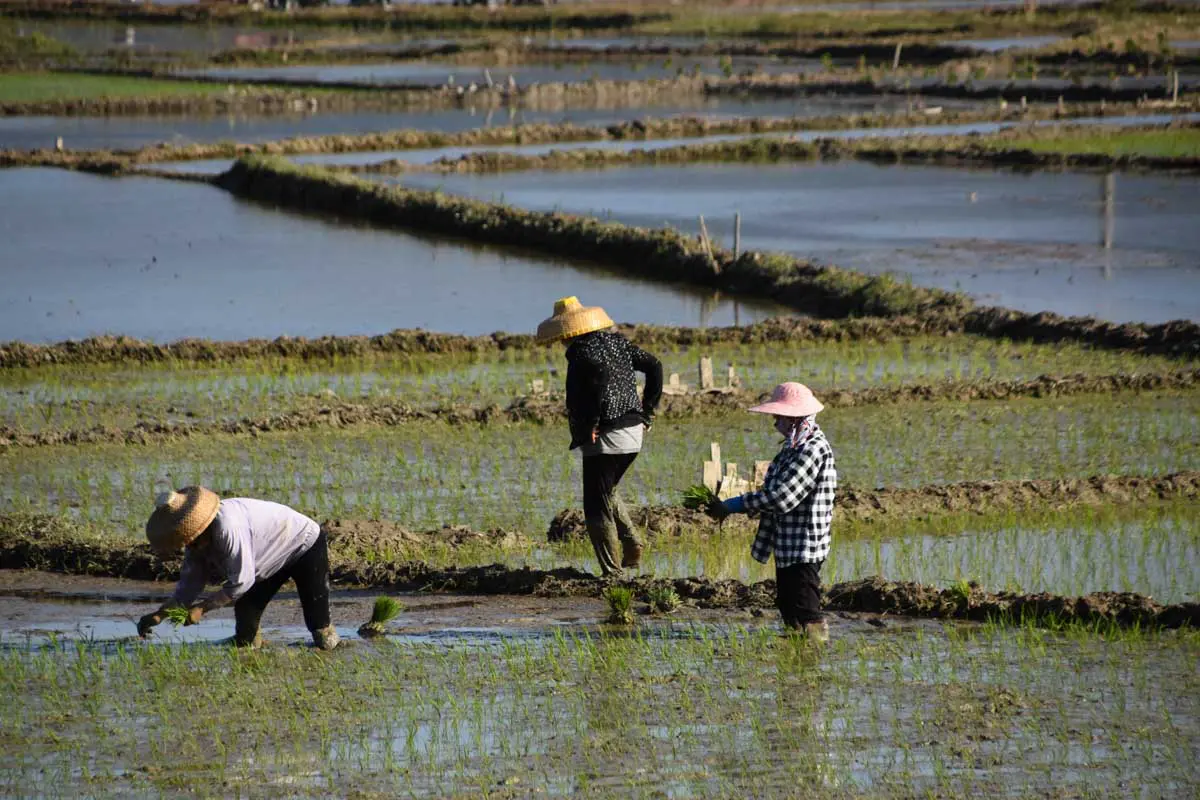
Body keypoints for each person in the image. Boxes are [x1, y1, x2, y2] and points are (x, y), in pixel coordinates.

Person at [537, 296, 663, 577]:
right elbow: (655, 366)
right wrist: (648, 411)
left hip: (606, 437)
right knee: (607, 492)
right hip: (633, 433)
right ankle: (632, 542)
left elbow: (599, 376)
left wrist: (593, 421)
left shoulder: (581, 352)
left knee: (595, 506)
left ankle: (612, 573)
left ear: (566, 333)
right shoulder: (617, 343)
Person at [707, 382, 837, 640]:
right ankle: (794, 654)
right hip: (788, 543)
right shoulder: (793, 447)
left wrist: (734, 505)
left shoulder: (811, 449)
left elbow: (781, 497)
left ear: (794, 418)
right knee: (788, 607)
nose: (775, 422)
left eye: (779, 416)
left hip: (804, 545)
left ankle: (814, 656)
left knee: (806, 610)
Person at [136, 486, 340, 650]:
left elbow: (241, 581)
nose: (192, 546)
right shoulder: (195, 544)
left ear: (201, 526)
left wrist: (202, 608)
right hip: (267, 558)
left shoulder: (228, 527)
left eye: (194, 540)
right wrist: (159, 615)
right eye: (188, 542)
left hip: (303, 542)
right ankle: (249, 646)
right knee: (245, 619)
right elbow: (189, 587)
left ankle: (331, 646)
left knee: (319, 627)